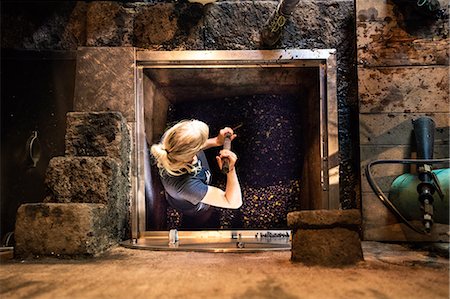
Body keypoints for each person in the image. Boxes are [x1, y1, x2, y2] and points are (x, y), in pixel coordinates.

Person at [151, 119, 242, 220]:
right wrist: (230, 170)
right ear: (190, 153)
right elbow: (234, 203)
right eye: (201, 142)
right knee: (204, 213)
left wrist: (216, 141)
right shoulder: (188, 186)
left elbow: (188, 146)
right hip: (193, 205)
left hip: (189, 192)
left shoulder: (169, 142)